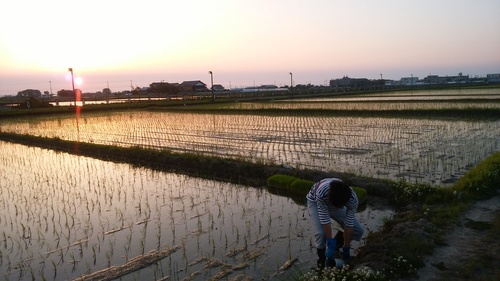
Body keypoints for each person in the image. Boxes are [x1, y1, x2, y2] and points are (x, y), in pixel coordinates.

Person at [306, 178, 364, 269]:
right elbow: (325, 221)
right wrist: (330, 242)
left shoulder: (352, 200)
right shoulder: (321, 193)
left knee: (358, 230)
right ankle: (322, 260)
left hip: (337, 202)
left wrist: (346, 247)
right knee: (321, 233)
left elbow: (349, 225)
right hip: (315, 202)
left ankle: (337, 247)